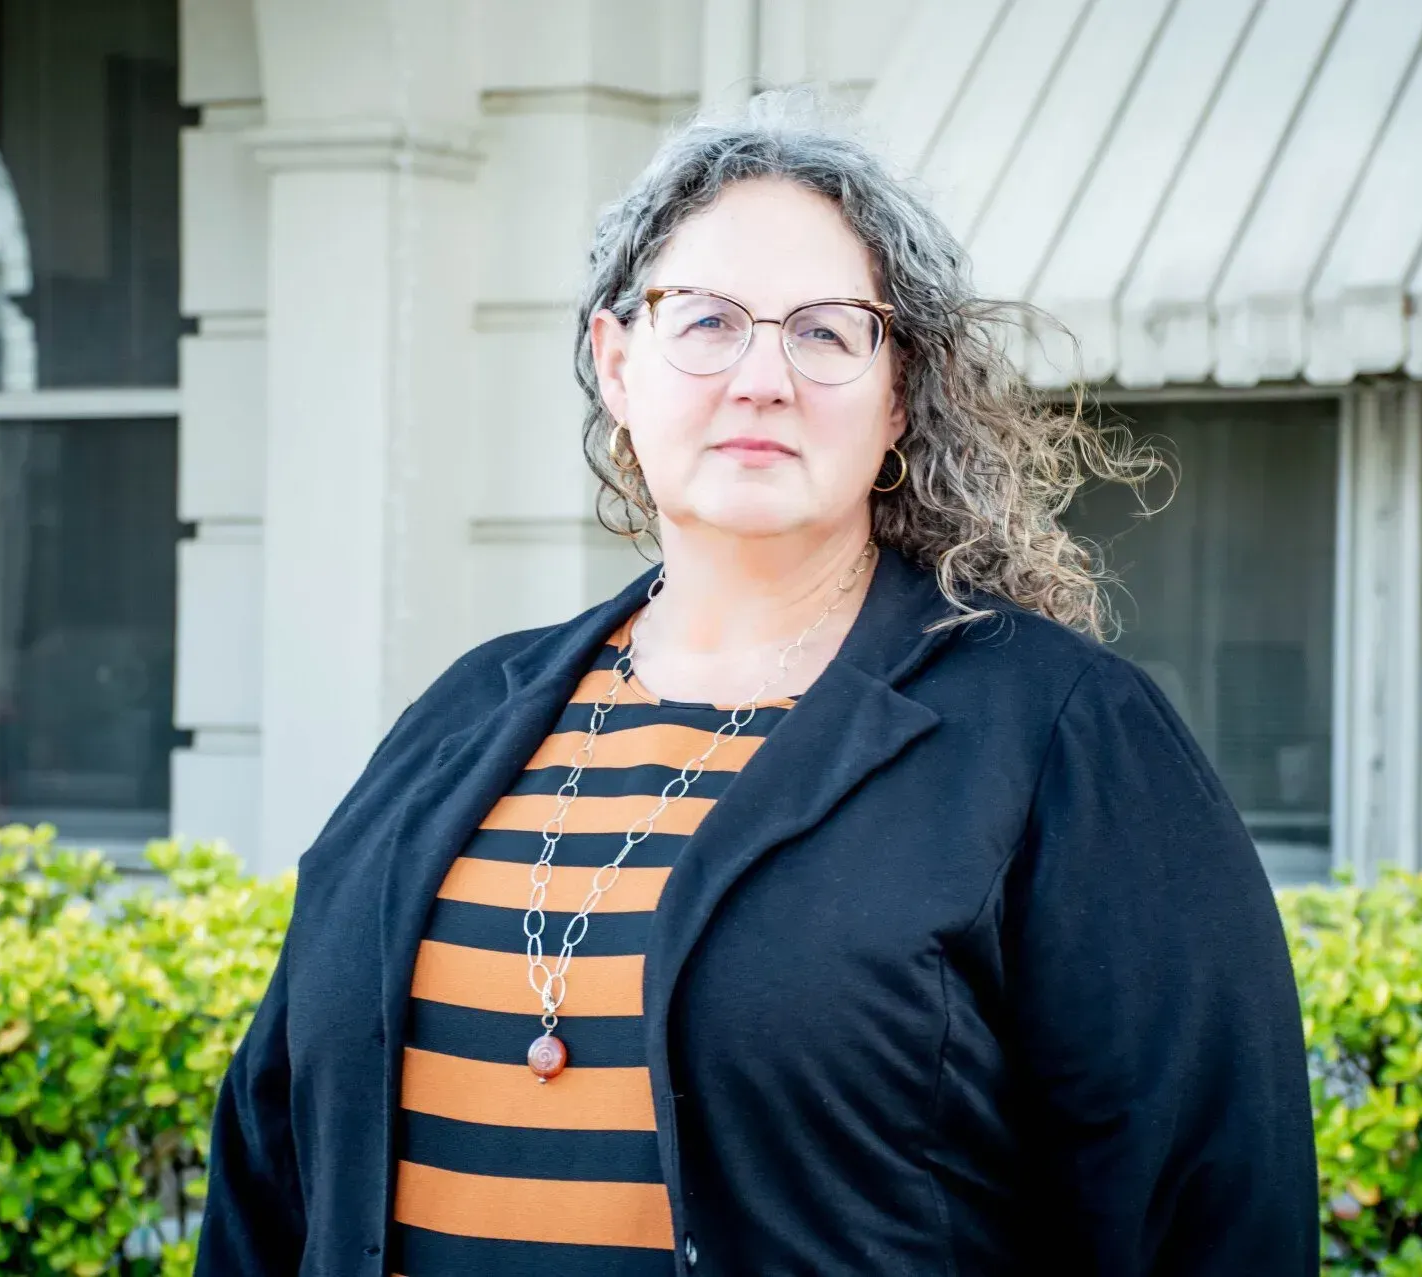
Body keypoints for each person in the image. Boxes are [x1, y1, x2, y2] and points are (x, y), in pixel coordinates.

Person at [195, 92, 1319, 1277]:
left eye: (828, 332)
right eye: (708, 320)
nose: (763, 377)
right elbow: (270, 1166)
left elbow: (1208, 1213)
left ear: (901, 399)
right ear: (616, 362)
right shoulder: (466, 713)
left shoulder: (1060, 736)